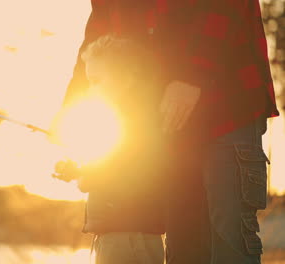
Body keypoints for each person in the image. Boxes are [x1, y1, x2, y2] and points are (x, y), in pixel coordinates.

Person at [63, 0, 281, 263]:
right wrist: (72, 106)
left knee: (229, 242)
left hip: (228, 108)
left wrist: (193, 75)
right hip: (168, 124)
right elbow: (100, 28)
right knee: (185, 248)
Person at [53, 34, 167, 264]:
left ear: (126, 79)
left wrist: (82, 176)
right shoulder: (139, 118)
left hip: (123, 236)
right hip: (136, 234)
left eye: (97, 80)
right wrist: (77, 170)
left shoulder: (126, 122)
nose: (91, 88)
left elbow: (113, 173)